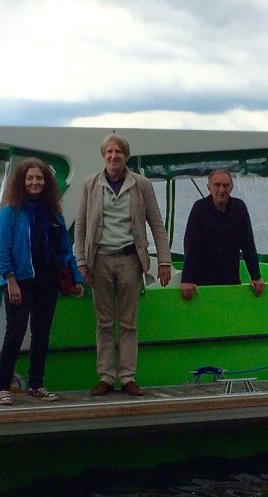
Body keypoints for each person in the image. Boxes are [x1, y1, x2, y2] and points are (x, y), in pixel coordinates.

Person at [74, 134, 171, 397]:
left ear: (126, 156)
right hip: (100, 259)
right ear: (103, 156)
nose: (114, 156)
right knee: (104, 322)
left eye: (118, 152)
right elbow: (80, 226)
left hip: (130, 259)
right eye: (109, 152)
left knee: (128, 322)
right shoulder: (89, 185)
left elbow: (157, 224)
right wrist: (81, 262)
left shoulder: (141, 185)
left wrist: (164, 261)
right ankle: (106, 376)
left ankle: (128, 376)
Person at [0, 158, 84, 406]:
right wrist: (10, 279)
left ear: (47, 182)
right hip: (19, 281)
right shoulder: (9, 212)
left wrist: (76, 277)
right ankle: (3, 386)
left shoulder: (53, 214)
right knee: (15, 333)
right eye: (30, 178)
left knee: (41, 334)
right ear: (22, 182)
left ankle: (36, 384)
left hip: (48, 281)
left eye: (39, 178)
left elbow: (64, 248)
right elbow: (0, 249)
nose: (35, 182)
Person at [179, 169, 265, 301]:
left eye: (225, 185)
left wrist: (256, 276)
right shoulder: (199, 209)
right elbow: (191, 246)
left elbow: (248, 244)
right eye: (217, 185)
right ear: (209, 187)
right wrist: (186, 280)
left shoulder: (239, 208)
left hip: (231, 281)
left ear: (232, 187)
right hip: (202, 284)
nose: (221, 190)